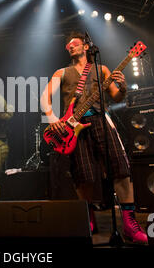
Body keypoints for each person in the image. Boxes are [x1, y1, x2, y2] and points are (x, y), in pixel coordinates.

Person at [40, 32, 147, 244]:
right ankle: (87, 218)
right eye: (67, 45)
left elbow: (117, 96)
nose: (70, 47)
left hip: (101, 121)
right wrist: (53, 119)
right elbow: (45, 97)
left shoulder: (103, 69)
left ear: (87, 46)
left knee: (120, 169)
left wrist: (123, 85)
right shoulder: (62, 72)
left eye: (75, 43)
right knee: (83, 175)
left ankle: (129, 225)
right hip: (74, 129)